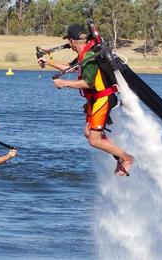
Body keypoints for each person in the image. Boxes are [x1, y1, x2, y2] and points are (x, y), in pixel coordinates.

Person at [37, 24, 134, 176]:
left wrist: (64, 83)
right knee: (88, 133)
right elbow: (70, 67)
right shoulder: (85, 54)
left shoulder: (89, 57)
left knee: (94, 140)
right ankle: (118, 155)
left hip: (103, 98)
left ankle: (127, 158)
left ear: (71, 41)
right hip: (95, 99)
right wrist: (48, 62)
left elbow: (88, 83)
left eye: (69, 43)